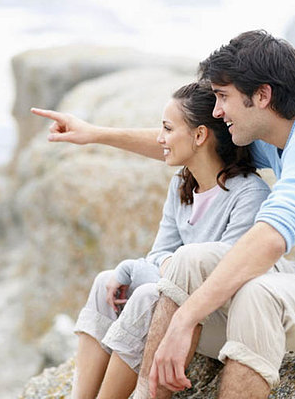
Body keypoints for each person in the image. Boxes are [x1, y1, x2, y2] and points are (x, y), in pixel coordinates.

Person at [32, 30, 295, 399]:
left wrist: (185, 319)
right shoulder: (278, 139)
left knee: (261, 293)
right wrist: (96, 134)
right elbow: (198, 146)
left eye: (223, 96)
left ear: (261, 95)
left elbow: (272, 236)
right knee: (190, 260)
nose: (217, 112)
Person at [32, 82, 271, 399]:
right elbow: (160, 254)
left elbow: (222, 275)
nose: (159, 139)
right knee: (107, 280)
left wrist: (138, 270)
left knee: (145, 294)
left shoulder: (248, 193)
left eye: (168, 129)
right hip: (177, 306)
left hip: (217, 319)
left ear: (199, 136)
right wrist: (135, 270)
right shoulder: (182, 185)